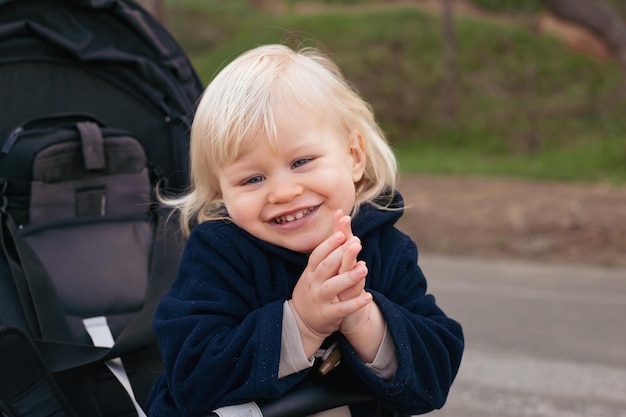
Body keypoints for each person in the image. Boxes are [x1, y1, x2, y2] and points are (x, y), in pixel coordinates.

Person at [146, 44, 464, 417]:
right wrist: (300, 324)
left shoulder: (384, 247)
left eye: (301, 161)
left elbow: (433, 379)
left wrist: (364, 320)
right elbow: (191, 378)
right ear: (222, 194)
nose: (283, 192)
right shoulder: (219, 253)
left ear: (354, 157)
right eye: (252, 178)